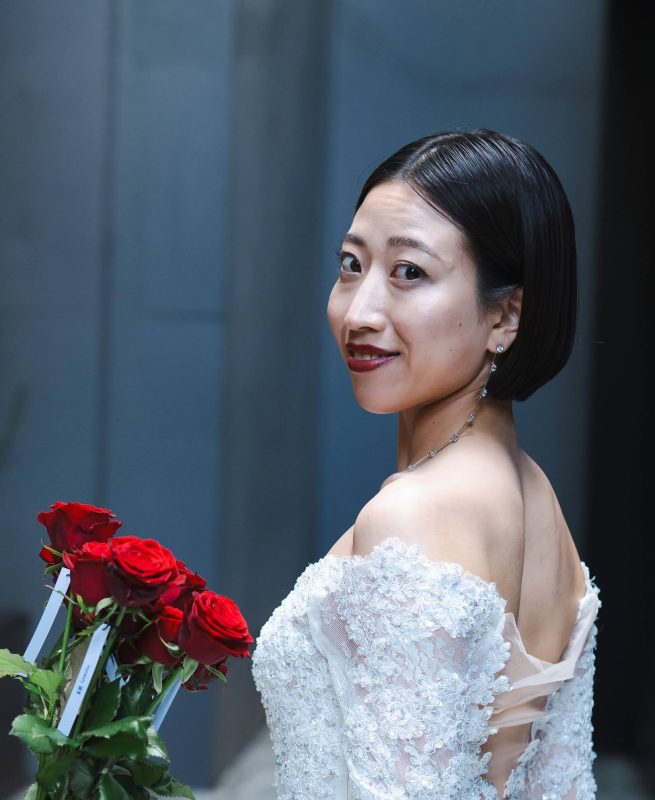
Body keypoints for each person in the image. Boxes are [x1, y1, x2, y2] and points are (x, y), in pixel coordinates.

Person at [252, 130, 601, 799]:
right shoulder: (534, 495)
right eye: (351, 265)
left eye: (408, 272)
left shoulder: (414, 514)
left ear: (506, 316)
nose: (359, 312)